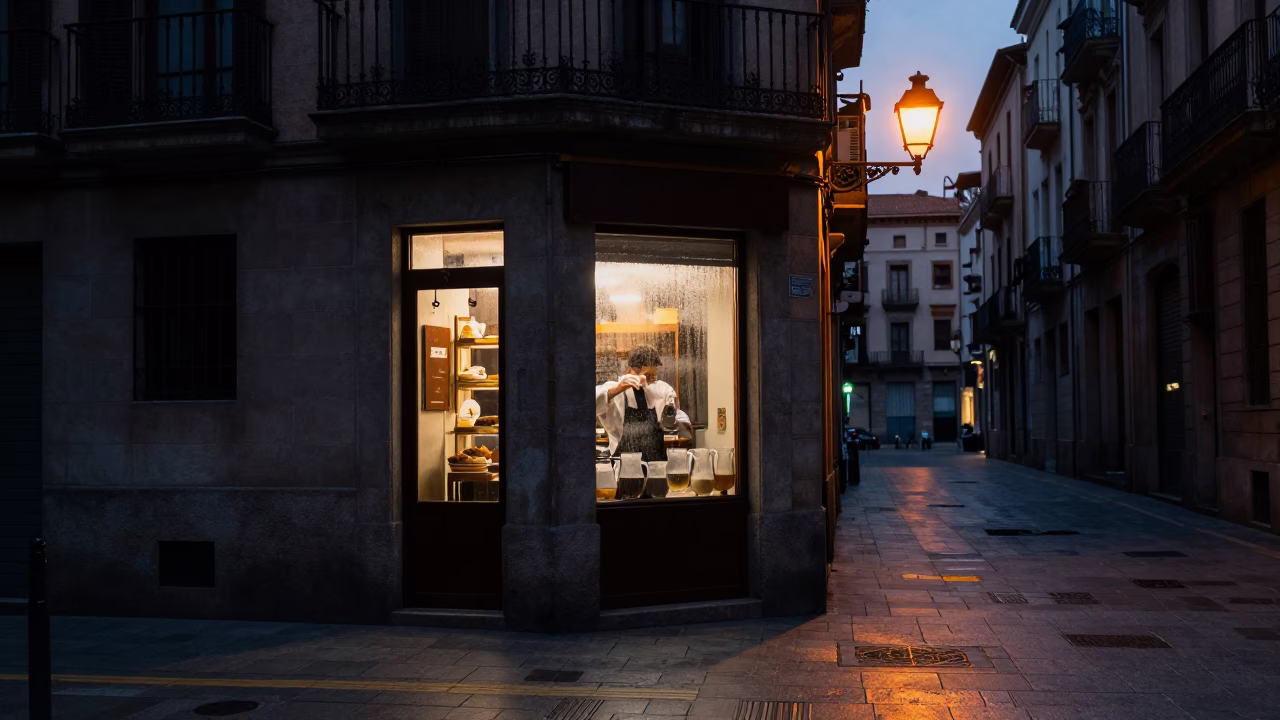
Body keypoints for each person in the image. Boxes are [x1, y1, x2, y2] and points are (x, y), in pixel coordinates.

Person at [595, 345, 691, 460]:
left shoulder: (661, 389)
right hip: (624, 463)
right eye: (647, 375)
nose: (651, 380)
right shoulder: (614, 390)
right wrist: (616, 390)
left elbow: (678, 421)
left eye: (654, 375)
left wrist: (674, 415)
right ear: (629, 371)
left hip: (657, 464)